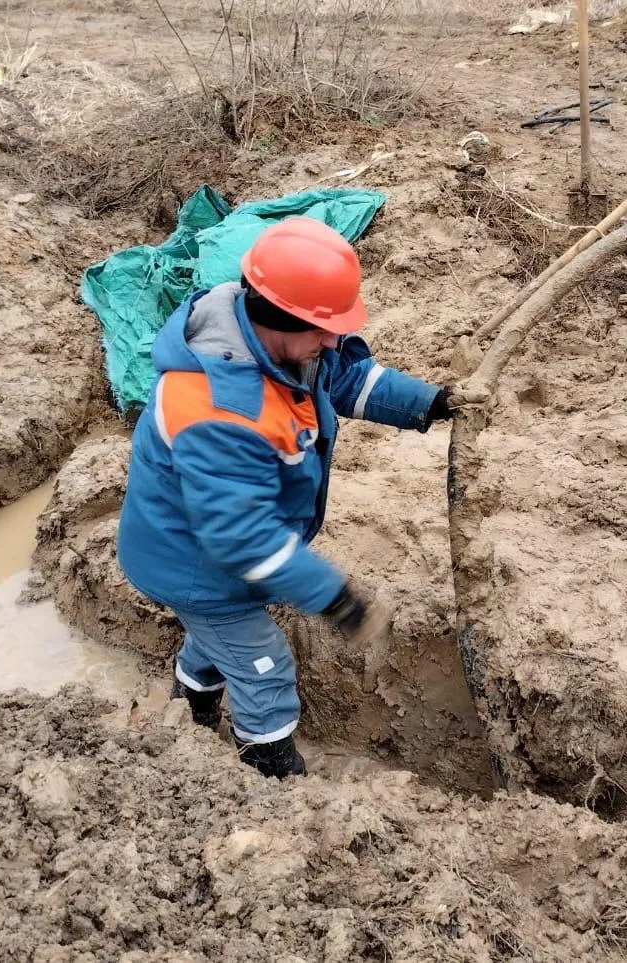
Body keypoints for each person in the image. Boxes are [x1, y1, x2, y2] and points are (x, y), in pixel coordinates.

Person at [116, 216, 465, 779]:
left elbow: (348, 379)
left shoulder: (283, 344)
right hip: (193, 565)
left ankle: (191, 708)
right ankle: (270, 776)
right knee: (264, 667)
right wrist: (335, 598)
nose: (332, 341)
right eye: (322, 329)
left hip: (213, 553)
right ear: (278, 317)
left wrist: (429, 402)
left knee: (219, 639)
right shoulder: (219, 409)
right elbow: (242, 537)